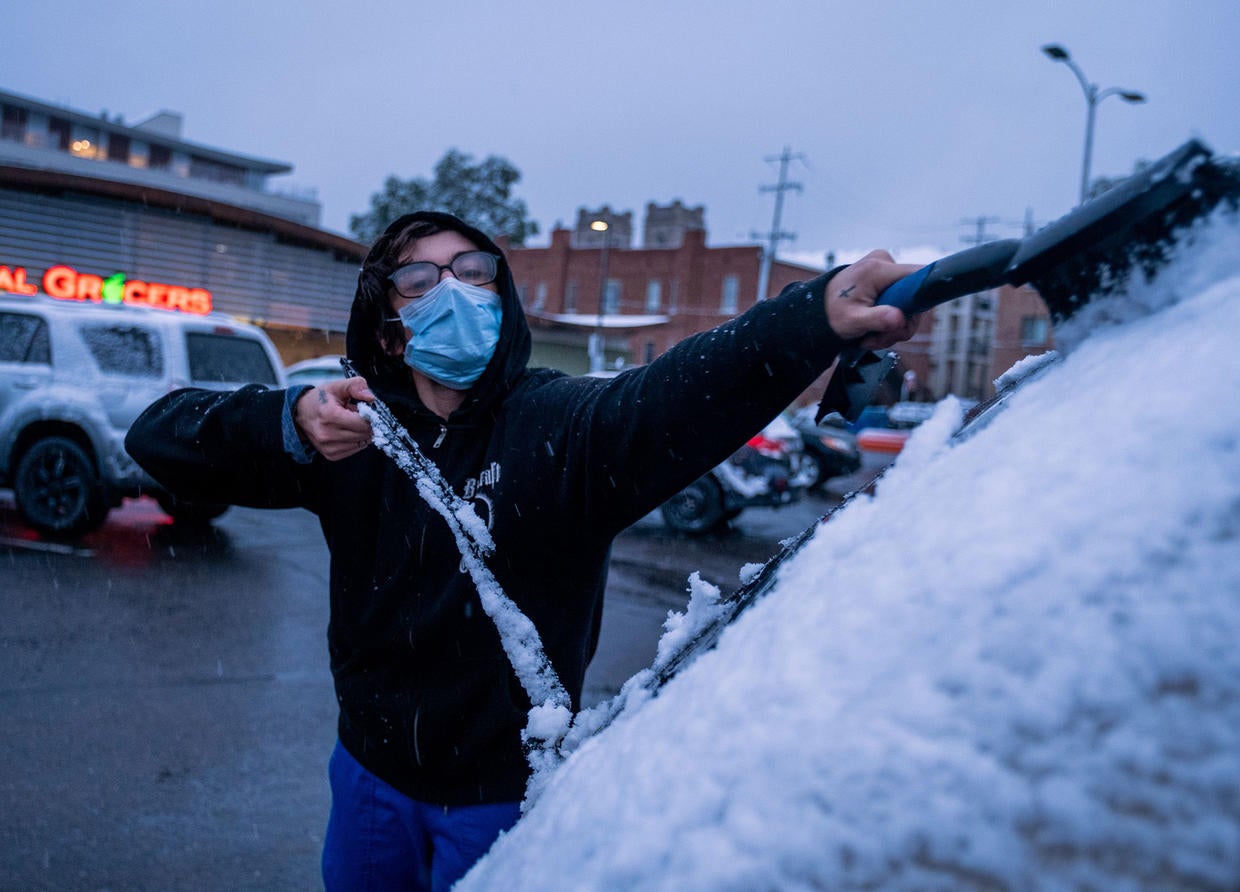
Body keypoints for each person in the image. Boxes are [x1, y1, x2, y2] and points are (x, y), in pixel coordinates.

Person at [125, 211, 918, 890]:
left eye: (474, 272)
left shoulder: (558, 426)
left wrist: (809, 317)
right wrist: (287, 420)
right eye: (420, 280)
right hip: (368, 782)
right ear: (388, 330)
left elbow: (675, 394)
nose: (456, 292)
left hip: (502, 805)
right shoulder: (350, 433)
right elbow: (158, 436)